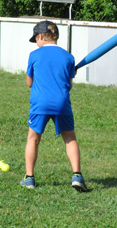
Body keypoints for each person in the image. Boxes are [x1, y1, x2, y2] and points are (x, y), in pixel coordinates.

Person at [21, 20, 88, 192]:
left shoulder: (34, 55)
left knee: (33, 139)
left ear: (41, 36)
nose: (36, 42)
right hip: (62, 103)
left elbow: (29, 83)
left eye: (36, 38)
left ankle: (29, 178)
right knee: (70, 138)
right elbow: (69, 85)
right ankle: (77, 175)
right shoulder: (68, 57)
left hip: (40, 103)